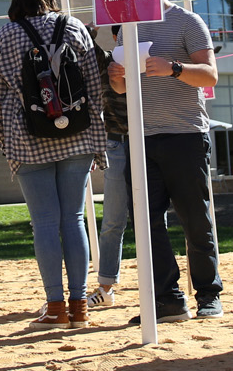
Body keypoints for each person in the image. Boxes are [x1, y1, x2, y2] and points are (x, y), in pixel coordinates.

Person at [0, 0, 107, 330]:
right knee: (74, 220)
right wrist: (92, 130)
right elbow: (94, 87)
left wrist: (6, 143)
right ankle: (80, 305)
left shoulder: (6, 35)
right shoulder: (73, 28)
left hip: (27, 138)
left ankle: (54, 306)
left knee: (44, 223)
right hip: (77, 138)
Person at [108, 0, 223, 324]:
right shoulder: (126, 27)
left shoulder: (187, 21)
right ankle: (169, 300)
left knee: (195, 218)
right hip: (139, 139)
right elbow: (124, 89)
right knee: (146, 221)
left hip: (185, 134)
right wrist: (117, 78)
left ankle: (208, 294)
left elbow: (210, 75)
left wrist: (173, 68)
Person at [89, 26, 131, 307]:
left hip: (151, 141)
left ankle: (161, 284)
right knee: (113, 220)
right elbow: (87, 52)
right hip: (116, 143)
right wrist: (86, 33)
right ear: (117, 38)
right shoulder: (106, 62)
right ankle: (106, 287)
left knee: (154, 218)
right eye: (122, 35)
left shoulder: (152, 59)